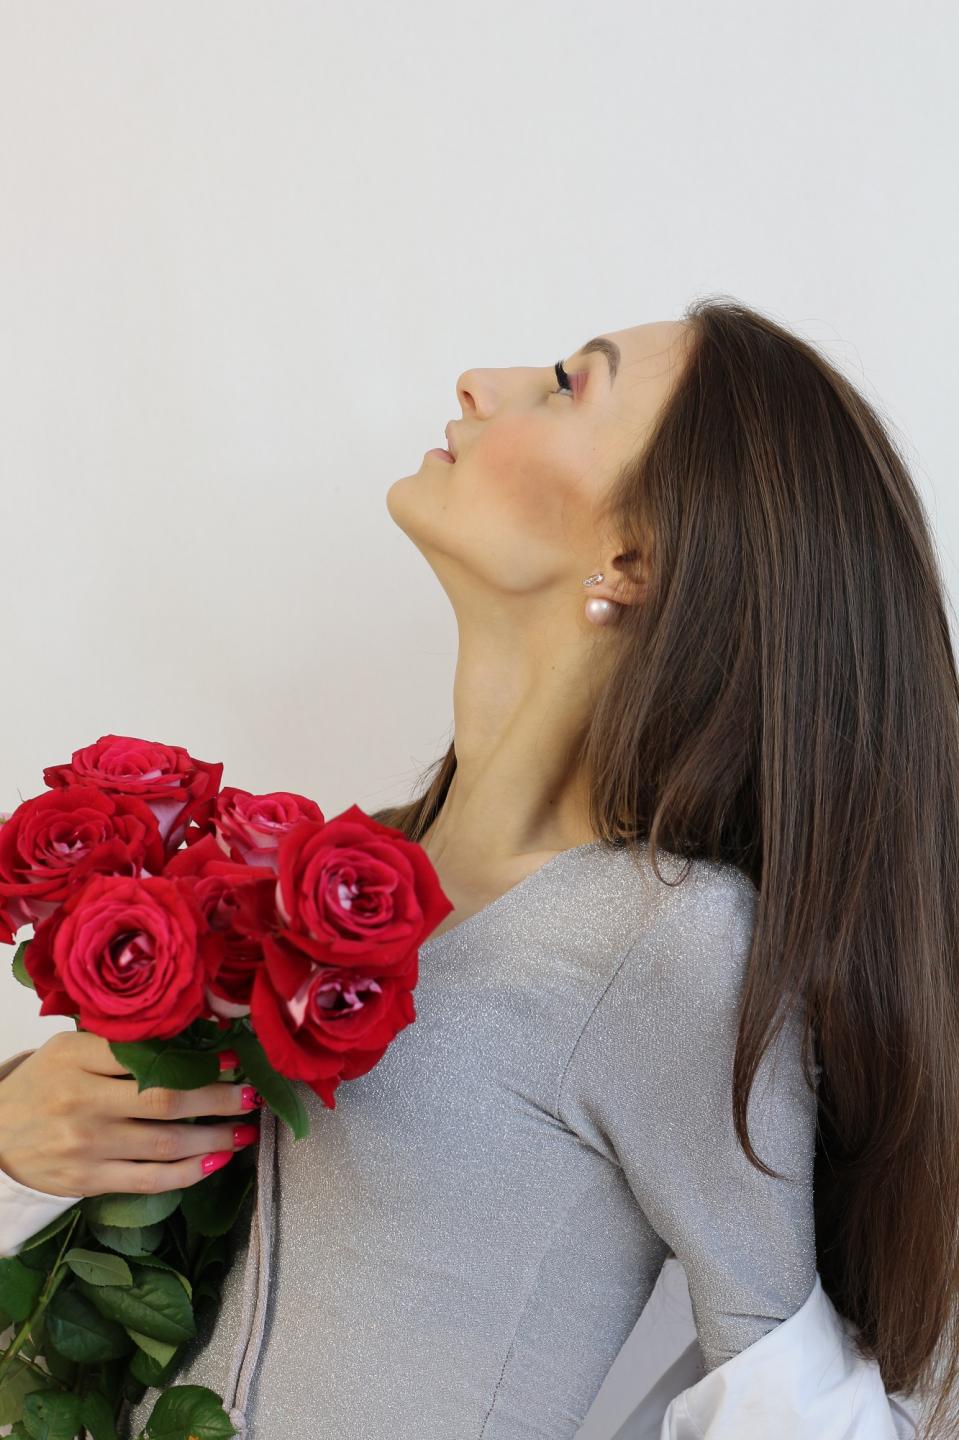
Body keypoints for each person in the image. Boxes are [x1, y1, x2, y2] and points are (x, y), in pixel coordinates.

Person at [0, 300, 951, 1437]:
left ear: (632, 557)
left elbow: (790, 1397)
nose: (477, 382)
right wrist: (17, 1130)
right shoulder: (320, 881)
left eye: (567, 383)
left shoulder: (664, 942)